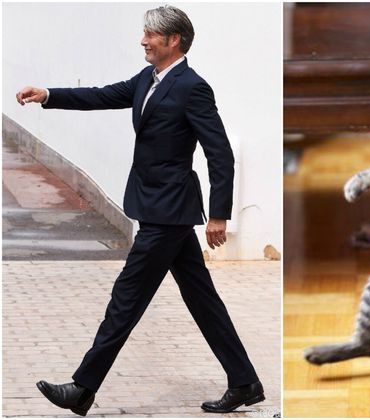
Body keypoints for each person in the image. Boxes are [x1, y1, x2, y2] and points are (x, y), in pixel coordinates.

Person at [16, 5, 263, 416]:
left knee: (125, 299)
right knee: (203, 300)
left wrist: (219, 215)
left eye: (151, 35)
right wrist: (49, 95)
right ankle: (245, 382)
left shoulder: (191, 87)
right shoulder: (148, 79)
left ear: (174, 41)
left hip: (168, 212)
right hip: (161, 208)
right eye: (144, 33)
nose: (143, 41)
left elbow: (220, 153)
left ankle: (81, 388)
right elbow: (100, 95)